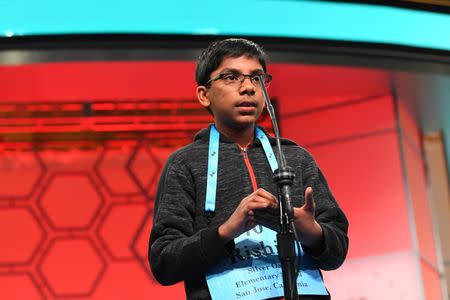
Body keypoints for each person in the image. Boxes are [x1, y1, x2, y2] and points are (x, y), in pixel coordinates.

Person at [149, 38, 349, 300]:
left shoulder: (296, 158)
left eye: (257, 78)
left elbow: (338, 252)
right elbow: (164, 262)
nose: (248, 88)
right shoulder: (184, 164)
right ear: (204, 94)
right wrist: (227, 231)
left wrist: (311, 232)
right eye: (231, 77)